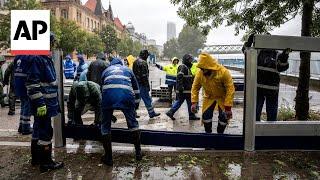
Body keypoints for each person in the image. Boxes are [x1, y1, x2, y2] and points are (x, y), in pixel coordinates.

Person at [25, 33, 63, 172]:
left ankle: (37, 159)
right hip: (44, 104)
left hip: (47, 103)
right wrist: (40, 103)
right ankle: (46, 163)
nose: (52, 46)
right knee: (46, 132)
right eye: (51, 42)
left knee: (39, 130)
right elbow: (32, 85)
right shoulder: (38, 59)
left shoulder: (44, 58)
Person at [100, 58, 142, 166]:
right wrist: (135, 105)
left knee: (105, 127)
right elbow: (136, 89)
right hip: (126, 97)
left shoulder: (106, 70)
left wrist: (106, 111)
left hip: (108, 97)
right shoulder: (128, 70)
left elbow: (102, 89)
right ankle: (138, 153)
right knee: (133, 124)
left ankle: (108, 158)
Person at [242, 34, 291, 121]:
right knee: (263, 112)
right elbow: (246, 52)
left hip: (263, 89)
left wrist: (284, 57)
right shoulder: (263, 53)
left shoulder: (260, 53)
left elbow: (282, 67)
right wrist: (248, 44)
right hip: (266, 89)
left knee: (258, 112)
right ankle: (264, 131)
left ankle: (260, 130)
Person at [191, 53, 235, 134]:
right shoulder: (200, 73)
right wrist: (194, 102)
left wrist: (228, 107)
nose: (203, 71)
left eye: (204, 69)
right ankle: (208, 135)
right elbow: (195, 87)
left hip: (222, 97)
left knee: (223, 117)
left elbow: (230, 89)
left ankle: (220, 134)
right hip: (209, 97)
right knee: (206, 116)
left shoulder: (223, 72)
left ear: (209, 67)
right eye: (201, 68)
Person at [166, 54, 200, 121]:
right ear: (187, 60)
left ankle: (172, 112)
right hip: (184, 90)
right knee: (183, 102)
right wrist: (180, 87)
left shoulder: (187, 68)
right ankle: (172, 112)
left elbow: (188, 78)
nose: (191, 62)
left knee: (183, 102)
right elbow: (179, 76)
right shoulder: (183, 67)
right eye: (190, 60)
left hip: (187, 90)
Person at [133, 50, 160, 118]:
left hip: (136, 84)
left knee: (136, 99)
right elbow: (144, 76)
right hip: (142, 84)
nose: (147, 57)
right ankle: (151, 113)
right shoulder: (144, 63)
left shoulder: (135, 62)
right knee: (147, 99)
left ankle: (133, 113)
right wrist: (147, 86)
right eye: (147, 56)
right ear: (144, 55)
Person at [13, 56, 33, 135]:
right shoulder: (29, 58)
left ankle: (21, 126)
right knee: (27, 106)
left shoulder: (17, 57)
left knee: (23, 105)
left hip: (18, 84)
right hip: (25, 85)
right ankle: (26, 128)